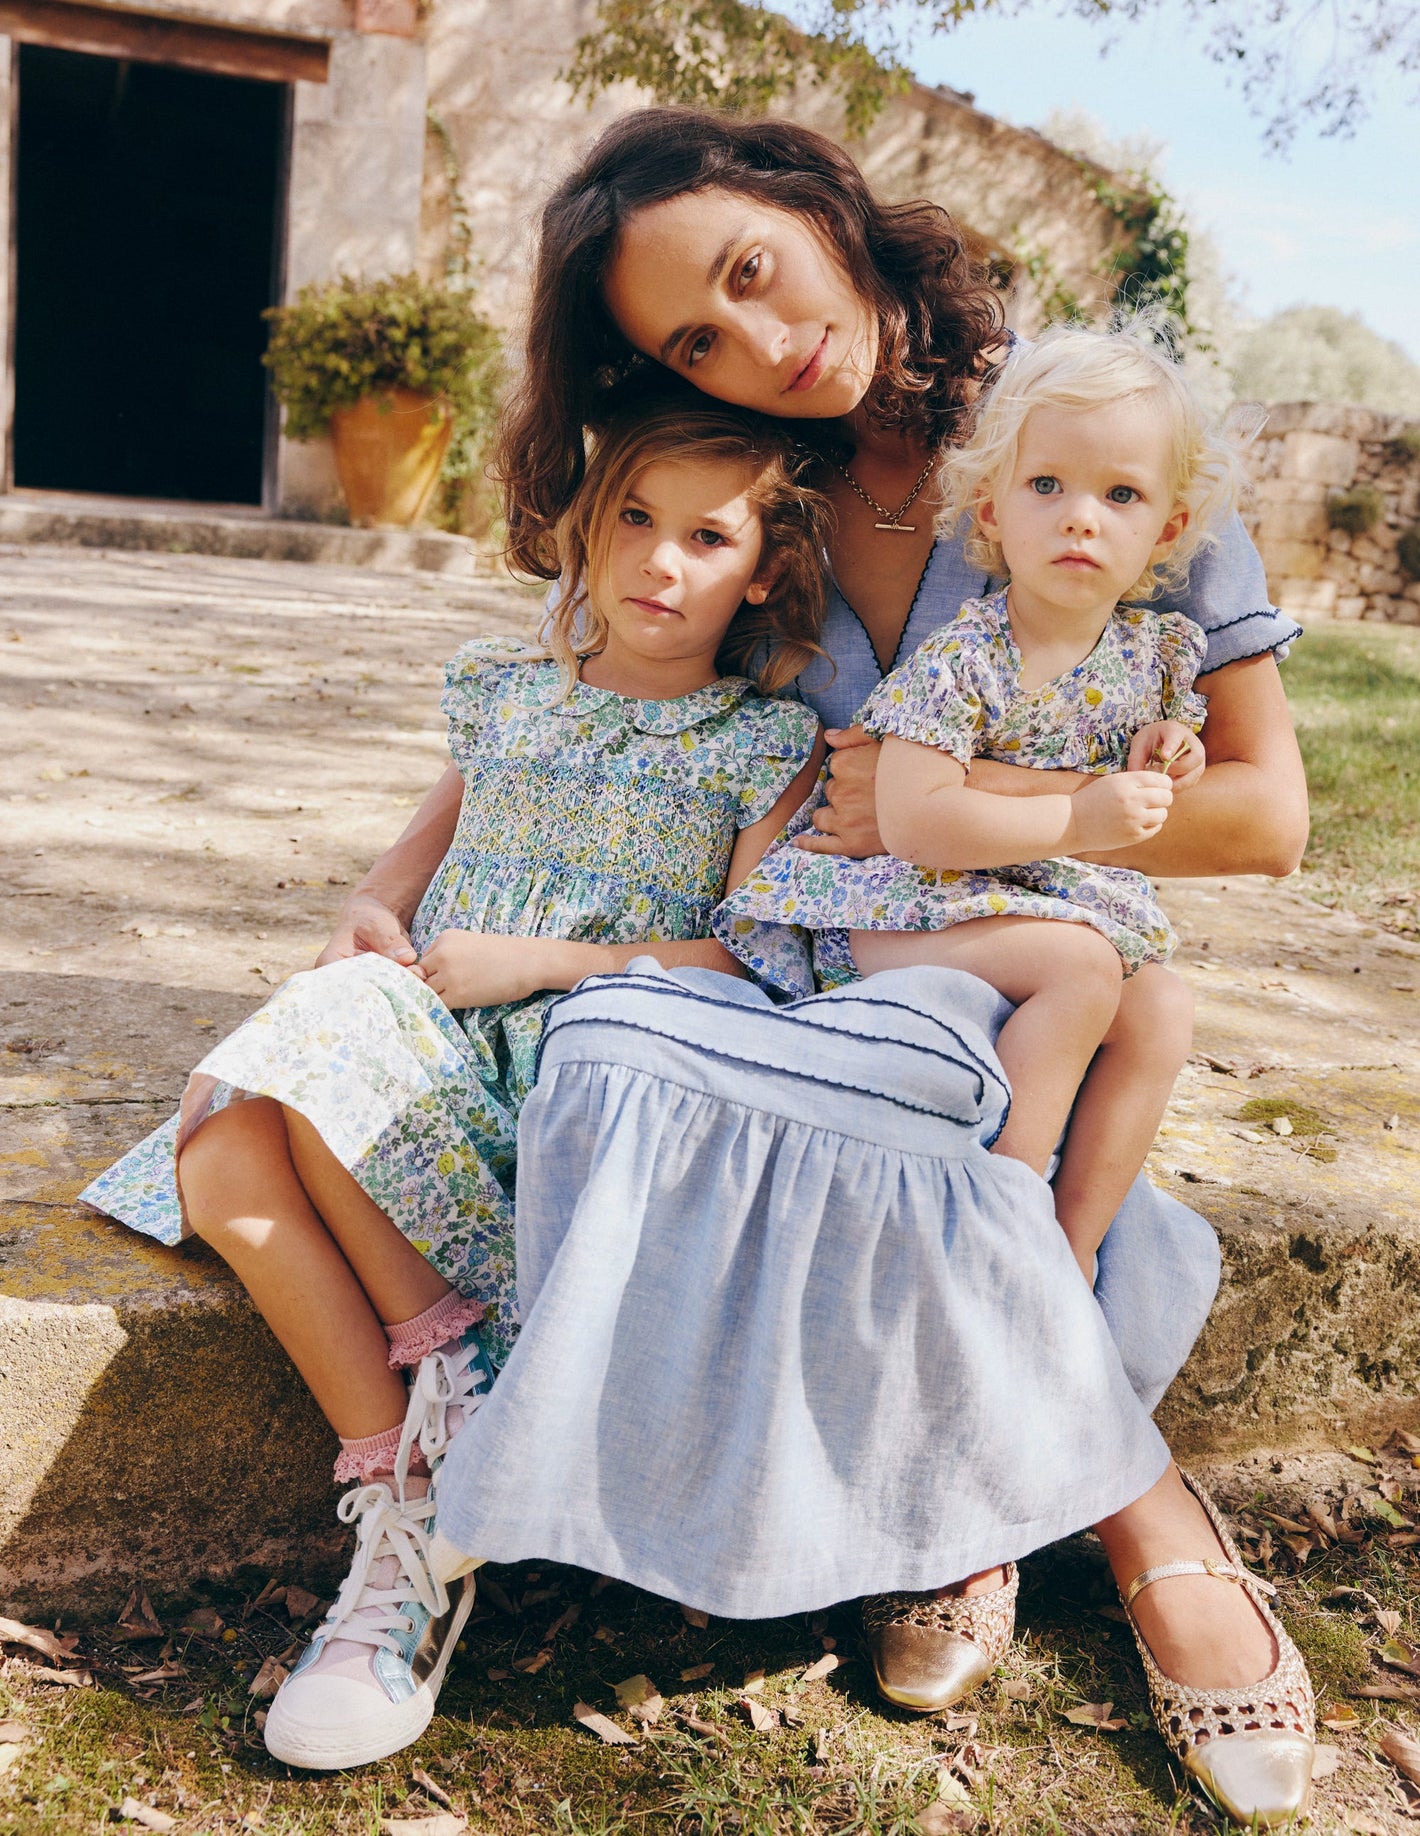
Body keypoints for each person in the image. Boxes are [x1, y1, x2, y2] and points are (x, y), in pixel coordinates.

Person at [417, 111, 1313, 1827]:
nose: (763, 344)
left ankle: (1088, 1504)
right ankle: (1073, 1504)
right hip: (845, 967)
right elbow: (582, 704)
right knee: (897, 1064)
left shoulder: (1098, 442)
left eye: (754, 273)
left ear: (824, 206)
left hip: (1038, 935)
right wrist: (431, 895)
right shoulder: (748, 496)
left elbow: (1266, 817)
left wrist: (968, 815)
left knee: (1123, 1008)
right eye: (697, 336)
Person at [80, 392, 828, 1771]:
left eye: (707, 537)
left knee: (289, 1087)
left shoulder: (758, 745)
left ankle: (444, 1427)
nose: (662, 562)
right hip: (410, 1030)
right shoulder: (505, 695)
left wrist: (541, 958)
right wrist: (367, 918)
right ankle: (426, 1452)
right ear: (588, 538)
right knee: (220, 1148)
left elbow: (749, 964)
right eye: (635, 524)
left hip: (548, 1076)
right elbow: (399, 876)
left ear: (766, 568)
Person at [717, 321, 1237, 1284]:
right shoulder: (962, 657)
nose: (1081, 518)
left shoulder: (1152, 655)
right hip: (894, 907)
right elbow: (914, 821)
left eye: (1120, 495)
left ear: (1166, 530)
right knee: (1084, 970)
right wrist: (1078, 819)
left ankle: (1071, 1249)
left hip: (1027, 906)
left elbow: (1162, 752)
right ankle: (996, 1210)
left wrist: (1175, 750)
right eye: (1048, 487)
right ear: (992, 512)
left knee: (1160, 1005)